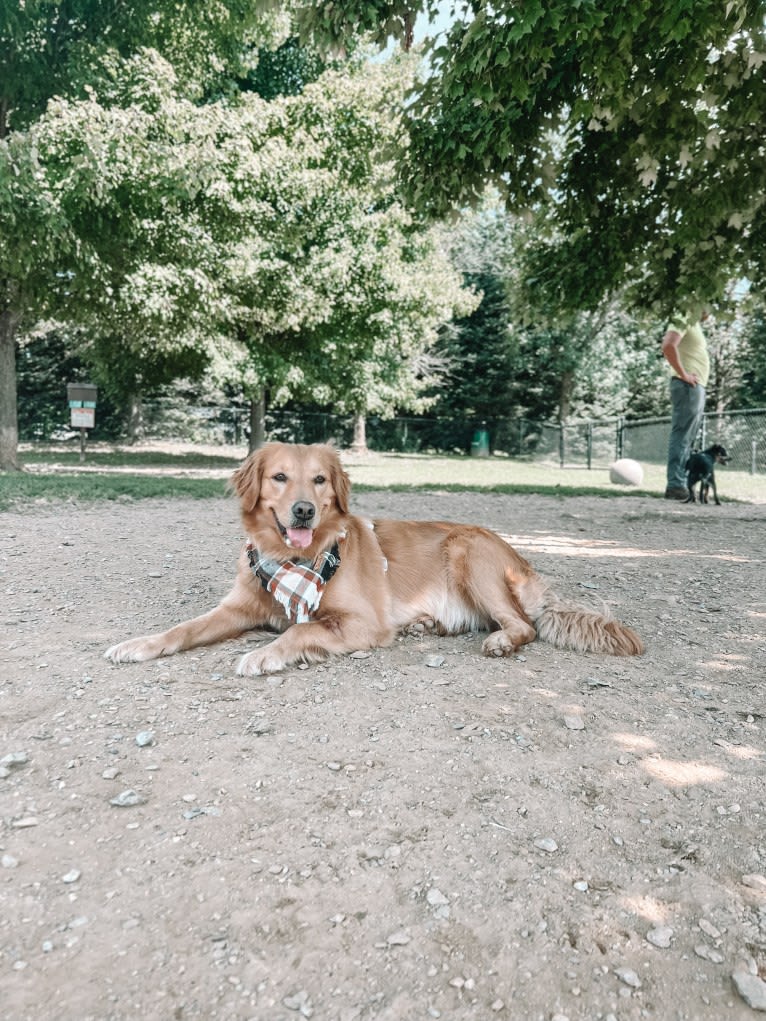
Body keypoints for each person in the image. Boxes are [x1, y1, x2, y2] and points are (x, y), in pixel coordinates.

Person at [661, 309, 710, 500]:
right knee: (682, 435)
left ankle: (681, 484)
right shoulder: (683, 316)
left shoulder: (694, 322)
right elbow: (668, 346)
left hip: (695, 385)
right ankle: (675, 485)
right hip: (687, 385)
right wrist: (684, 375)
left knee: (687, 438)